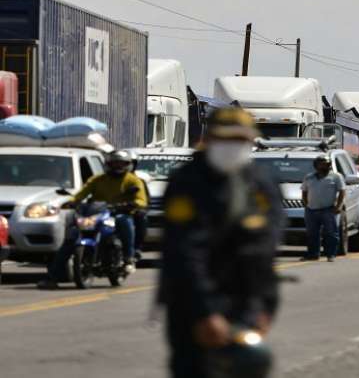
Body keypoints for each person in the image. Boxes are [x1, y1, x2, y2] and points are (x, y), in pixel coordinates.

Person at [158, 107, 284, 378]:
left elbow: (265, 253)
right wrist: (205, 312)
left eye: (241, 140)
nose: (232, 146)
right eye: (225, 139)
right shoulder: (187, 182)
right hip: (194, 306)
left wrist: (265, 308)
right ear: (210, 138)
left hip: (246, 302)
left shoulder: (260, 184)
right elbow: (184, 253)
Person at [37, 150, 148, 289]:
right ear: (108, 164)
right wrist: (71, 202)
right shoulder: (97, 179)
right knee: (71, 238)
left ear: (128, 165)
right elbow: (81, 193)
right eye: (114, 163)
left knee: (125, 221)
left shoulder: (132, 180)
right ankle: (52, 277)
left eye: (121, 163)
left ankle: (128, 258)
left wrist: (132, 204)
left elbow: (141, 199)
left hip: (117, 214)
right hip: (96, 214)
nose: (117, 166)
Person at [301, 155, 346, 262]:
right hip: (311, 210)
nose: (324, 165)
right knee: (312, 233)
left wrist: (338, 206)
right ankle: (313, 254)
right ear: (316, 165)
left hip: (328, 209)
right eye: (321, 163)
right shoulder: (309, 177)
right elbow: (304, 191)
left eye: (326, 163)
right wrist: (306, 204)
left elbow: (342, 192)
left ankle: (331, 254)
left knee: (331, 233)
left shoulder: (336, 177)